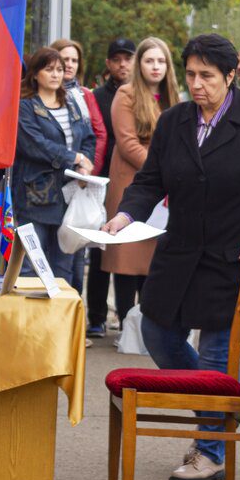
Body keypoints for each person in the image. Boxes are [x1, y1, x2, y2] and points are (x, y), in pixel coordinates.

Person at [102, 34, 240, 480]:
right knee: (157, 332)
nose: (197, 84)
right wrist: (125, 214)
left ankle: (211, 451)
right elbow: (150, 180)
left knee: (218, 355)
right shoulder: (175, 120)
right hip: (177, 252)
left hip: (231, 257)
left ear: (230, 75)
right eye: (191, 75)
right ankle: (223, 416)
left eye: (206, 75)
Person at [102, 37, 180, 325]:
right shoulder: (127, 94)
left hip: (167, 188)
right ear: (140, 65)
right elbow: (127, 143)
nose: (156, 67)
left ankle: (147, 322)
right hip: (133, 181)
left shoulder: (174, 97)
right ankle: (125, 321)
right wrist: (165, 170)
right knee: (127, 258)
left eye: (161, 61)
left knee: (152, 257)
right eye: (149, 60)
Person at [14, 47, 95, 283]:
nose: (56, 75)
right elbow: (34, 144)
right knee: (32, 266)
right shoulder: (26, 105)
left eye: (59, 70)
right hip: (35, 196)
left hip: (69, 195)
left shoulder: (71, 103)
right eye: (49, 69)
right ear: (36, 74)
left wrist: (85, 165)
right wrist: (74, 158)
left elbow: (88, 137)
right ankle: (29, 320)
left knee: (64, 268)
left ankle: (61, 318)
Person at [51, 38, 109, 296]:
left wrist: (88, 169)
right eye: (64, 59)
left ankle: (75, 311)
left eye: (74, 60)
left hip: (79, 181)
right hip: (51, 182)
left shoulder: (84, 94)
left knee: (76, 250)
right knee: (53, 251)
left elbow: (98, 133)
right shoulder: (39, 97)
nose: (69, 65)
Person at [87, 37, 136, 338]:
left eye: (127, 58)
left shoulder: (143, 96)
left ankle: (128, 316)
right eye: (116, 58)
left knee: (130, 253)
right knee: (100, 253)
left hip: (134, 182)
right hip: (101, 183)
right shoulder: (96, 97)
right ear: (108, 63)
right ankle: (96, 316)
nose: (122, 64)